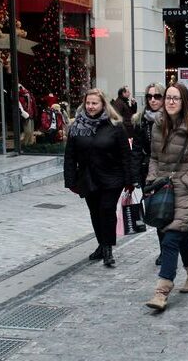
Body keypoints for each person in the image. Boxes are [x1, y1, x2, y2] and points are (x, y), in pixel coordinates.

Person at [144, 83, 188, 311]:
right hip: (163, 189)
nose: (170, 102)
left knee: (171, 237)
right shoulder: (158, 125)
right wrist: (153, 177)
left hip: (187, 190)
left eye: (175, 98)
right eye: (168, 98)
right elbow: (153, 157)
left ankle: (161, 292)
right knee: (179, 234)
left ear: (184, 102)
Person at [63, 88, 135, 267]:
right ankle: (102, 245)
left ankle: (108, 249)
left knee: (107, 210)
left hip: (112, 178)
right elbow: (70, 156)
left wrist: (130, 180)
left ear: (103, 104)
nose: (90, 106)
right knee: (95, 213)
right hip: (88, 178)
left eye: (94, 103)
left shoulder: (115, 126)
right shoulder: (76, 127)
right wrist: (70, 180)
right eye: (88, 103)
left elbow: (126, 154)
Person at [131, 83, 166, 265]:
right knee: (157, 213)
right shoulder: (141, 120)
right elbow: (136, 150)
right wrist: (135, 178)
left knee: (171, 214)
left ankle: (171, 250)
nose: (153, 100)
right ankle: (164, 250)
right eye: (149, 96)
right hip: (149, 173)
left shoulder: (171, 118)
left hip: (168, 172)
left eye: (157, 96)